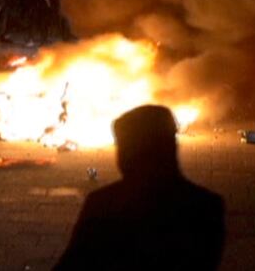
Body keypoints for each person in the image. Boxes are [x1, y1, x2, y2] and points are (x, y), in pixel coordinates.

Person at [54, 105, 225, 271]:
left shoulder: (104, 205)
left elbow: (72, 264)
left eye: (123, 147)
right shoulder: (208, 206)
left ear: (132, 152)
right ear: (171, 147)